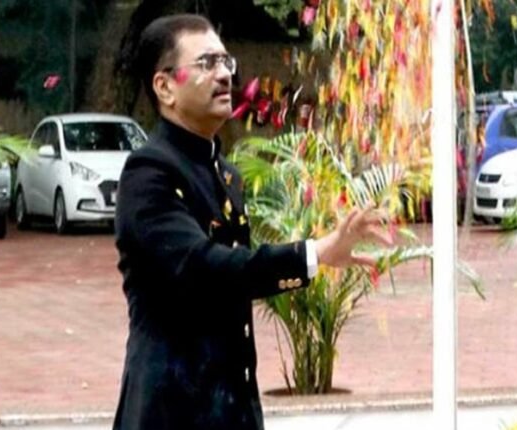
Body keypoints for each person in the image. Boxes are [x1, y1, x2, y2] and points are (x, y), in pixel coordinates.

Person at [112, 14, 392, 430]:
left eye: (226, 61)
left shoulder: (225, 175)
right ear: (165, 86)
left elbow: (235, 295)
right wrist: (314, 254)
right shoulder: (149, 174)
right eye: (206, 63)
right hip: (172, 413)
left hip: (231, 411)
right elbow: (205, 268)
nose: (225, 74)